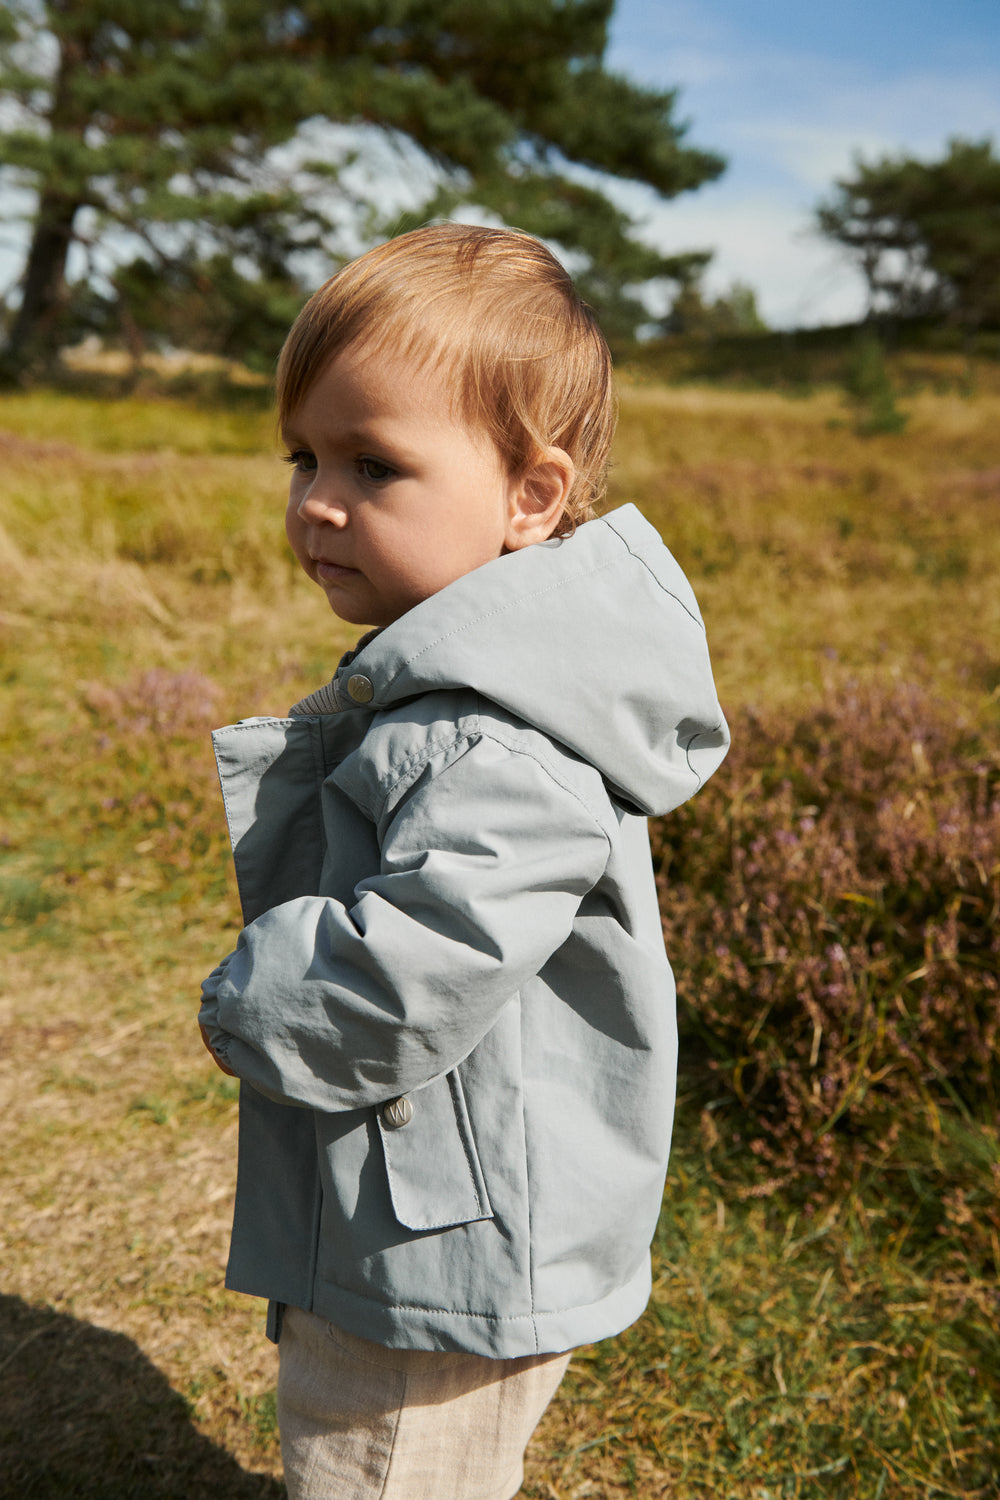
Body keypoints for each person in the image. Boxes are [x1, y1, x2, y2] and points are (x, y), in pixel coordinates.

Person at [198, 223, 729, 1500]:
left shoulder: (498, 734)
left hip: (441, 1241)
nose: (318, 500)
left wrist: (248, 995)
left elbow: (412, 972)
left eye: (374, 464)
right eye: (305, 456)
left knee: (374, 1470)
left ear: (530, 496)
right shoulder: (455, 679)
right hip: (425, 1200)